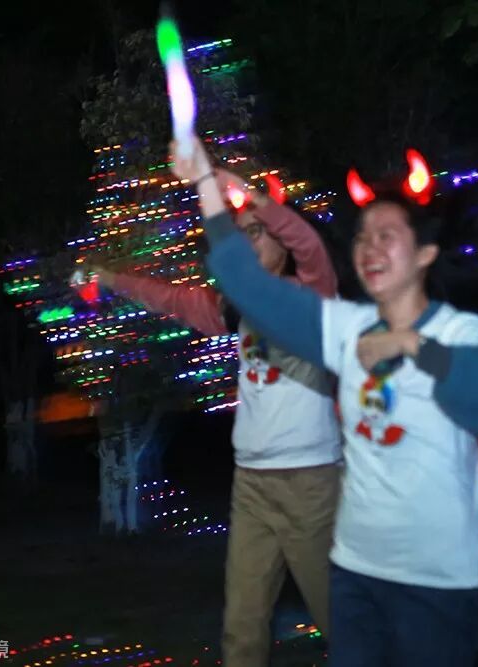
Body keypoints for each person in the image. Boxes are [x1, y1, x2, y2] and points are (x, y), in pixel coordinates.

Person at [170, 135, 478, 667]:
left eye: (387, 236)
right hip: (358, 570)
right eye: (362, 237)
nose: (369, 247)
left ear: (425, 254)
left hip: (435, 577)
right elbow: (247, 286)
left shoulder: (458, 332)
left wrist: (414, 347)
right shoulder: (345, 327)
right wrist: (204, 182)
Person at [83, 168, 342, 667]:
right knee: (242, 624)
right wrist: (109, 278)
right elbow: (171, 299)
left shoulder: (314, 296)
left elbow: (309, 244)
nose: (247, 242)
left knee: (339, 618)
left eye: (257, 233)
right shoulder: (234, 308)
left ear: (281, 241)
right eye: (241, 236)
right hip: (252, 485)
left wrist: (249, 197)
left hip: (309, 481)